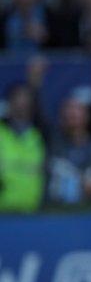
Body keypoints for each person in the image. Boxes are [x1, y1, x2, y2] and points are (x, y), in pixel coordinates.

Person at [0, 82, 45, 212]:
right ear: (9, 102)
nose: (22, 104)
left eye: (26, 100)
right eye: (17, 99)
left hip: (33, 212)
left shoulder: (38, 135)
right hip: (3, 213)